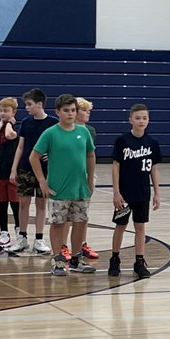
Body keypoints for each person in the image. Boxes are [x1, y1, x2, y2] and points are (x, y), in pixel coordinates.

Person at [30, 93, 96, 276]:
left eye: (73, 110)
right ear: (58, 112)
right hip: (58, 189)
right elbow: (33, 157)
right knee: (58, 224)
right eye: (66, 110)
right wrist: (42, 181)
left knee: (80, 223)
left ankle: (76, 259)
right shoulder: (50, 133)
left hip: (80, 187)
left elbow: (90, 155)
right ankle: (58, 261)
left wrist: (90, 180)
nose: (70, 114)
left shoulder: (83, 132)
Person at [109, 103, 162, 281]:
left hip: (142, 192)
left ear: (148, 120)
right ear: (130, 119)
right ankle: (115, 259)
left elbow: (154, 169)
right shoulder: (122, 141)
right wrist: (116, 192)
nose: (141, 121)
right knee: (121, 226)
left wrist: (157, 192)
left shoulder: (152, 143)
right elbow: (115, 166)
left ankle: (139, 262)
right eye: (138, 118)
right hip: (124, 194)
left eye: (144, 118)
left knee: (140, 227)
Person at [7, 89, 55, 255]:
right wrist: (14, 169)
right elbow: (20, 147)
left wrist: (53, 154)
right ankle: (22, 238)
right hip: (25, 168)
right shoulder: (26, 123)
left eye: (29, 104)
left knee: (41, 204)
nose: (26, 108)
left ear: (39, 104)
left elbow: (57, 145)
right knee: (23, 204)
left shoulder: (53, 123)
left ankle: (40, 239)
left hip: (45, 170)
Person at [0, 97, 20, 249]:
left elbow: (8, 135)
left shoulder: (17, 127)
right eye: (1, 111)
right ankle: (4, 234)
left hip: (12, 172)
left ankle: (20, 233)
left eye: (6, 111)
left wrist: (9, 123)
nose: (2, 113)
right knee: (1, 204)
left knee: (15, 204)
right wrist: (2, 122)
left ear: (14, 112)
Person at [75, 98, 99, 261]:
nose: (88, 113)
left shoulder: (89, 131)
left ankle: (82, 243)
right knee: (68, 215)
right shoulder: (65, 130)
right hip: (69, 176)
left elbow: (90, 155)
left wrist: (91, 178)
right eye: (85, 110)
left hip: (86, 175)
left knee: (84, 213)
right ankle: (64, 246)